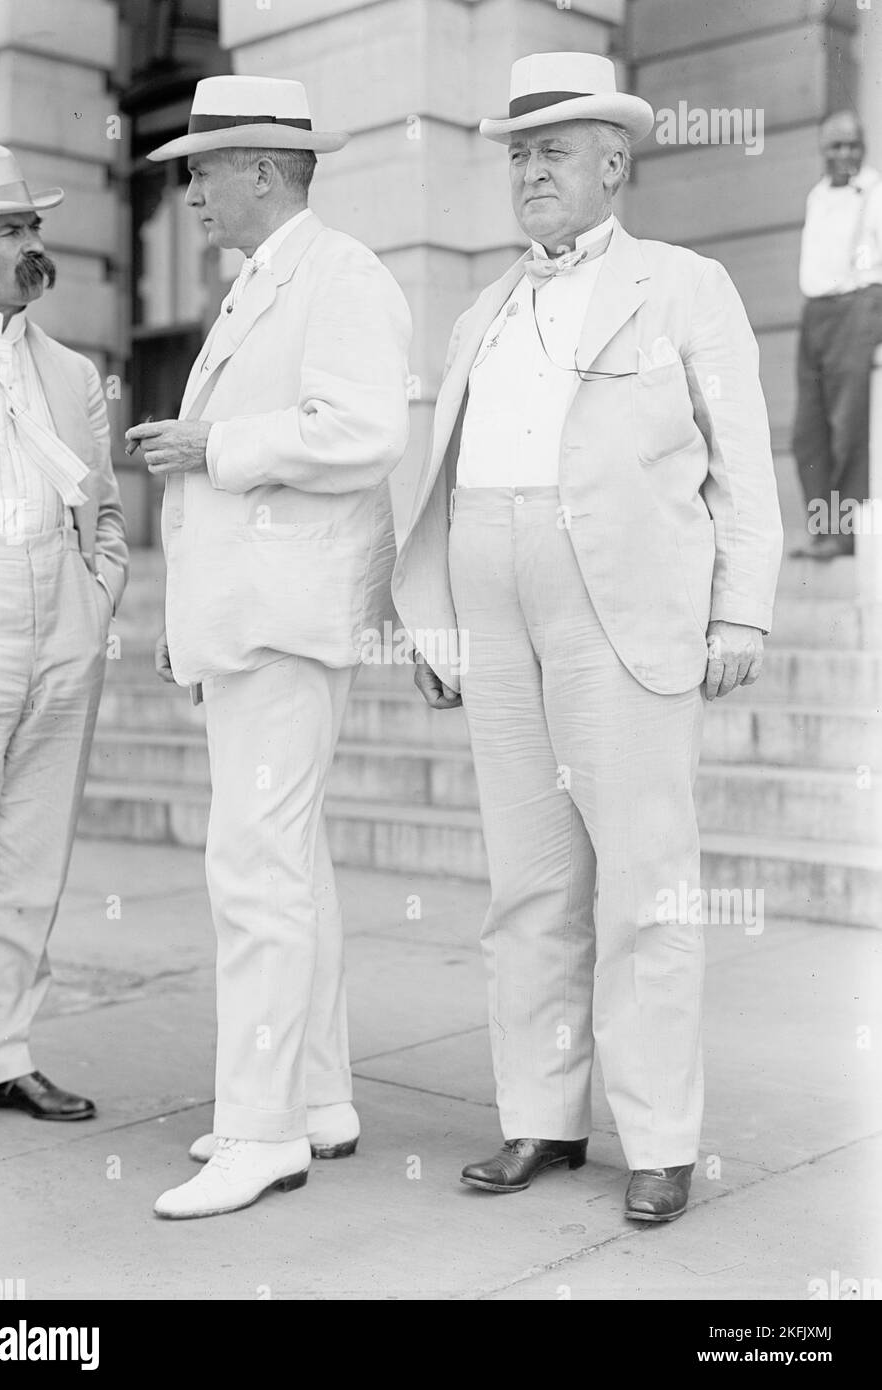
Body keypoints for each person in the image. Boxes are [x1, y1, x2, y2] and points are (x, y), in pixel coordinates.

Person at [392, 52, 783, 1223]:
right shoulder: (483, 309)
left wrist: (741, 606)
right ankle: (542, 1120)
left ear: (613, 164)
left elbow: (741, 461)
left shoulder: (683, 286)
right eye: (518, 153)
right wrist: (436, 620)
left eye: (552, 150)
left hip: (624, 609)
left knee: (646, 885)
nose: (530, 172)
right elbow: (451, 473)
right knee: (528, 883)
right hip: (496, 610)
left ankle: (659, 1138)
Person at [127, 76, 412, 1220]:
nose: (189, 191)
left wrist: (210, 443)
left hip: (285, 624)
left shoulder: (337, 275)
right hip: (252, 620)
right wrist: (182, 618)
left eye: (200, 168)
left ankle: (262, 1132)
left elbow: (363, 431)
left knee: (253, 869)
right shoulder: (270, 284)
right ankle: (318, 1098)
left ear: (260, 169)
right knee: (287, 862)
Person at [0, 145, 128, 1152]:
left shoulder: (68, 370)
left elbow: (103, 510)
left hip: (61, 615)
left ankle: (3, 1054)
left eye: (34, 227)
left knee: (33, 851)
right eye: (11, 230)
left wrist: (98, 598)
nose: (33, 245)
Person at [791, 110, 882, 559]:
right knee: (808, 431)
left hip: (859, 306)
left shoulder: (877, 192)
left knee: (849, 426)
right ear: (822, 149)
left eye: (851, 145)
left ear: (862, 146)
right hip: (816, 313)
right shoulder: (818, 196)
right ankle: (824, 529)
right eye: (835, 146)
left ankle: (847, 536)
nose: (844, 153)